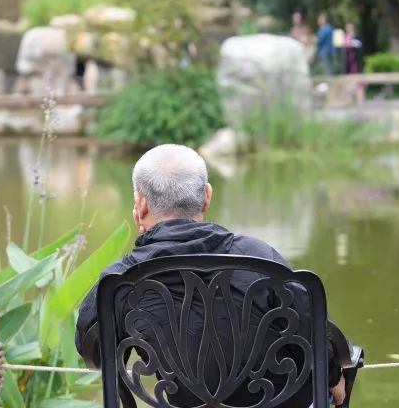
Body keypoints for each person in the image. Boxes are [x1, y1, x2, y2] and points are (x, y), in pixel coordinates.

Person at [75, 145, 347, 406]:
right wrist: (333, 376)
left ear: (140, 203)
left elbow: (93, 352)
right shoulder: (258, 257)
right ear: (207, 196)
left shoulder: (122, 280)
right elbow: (319, 334)